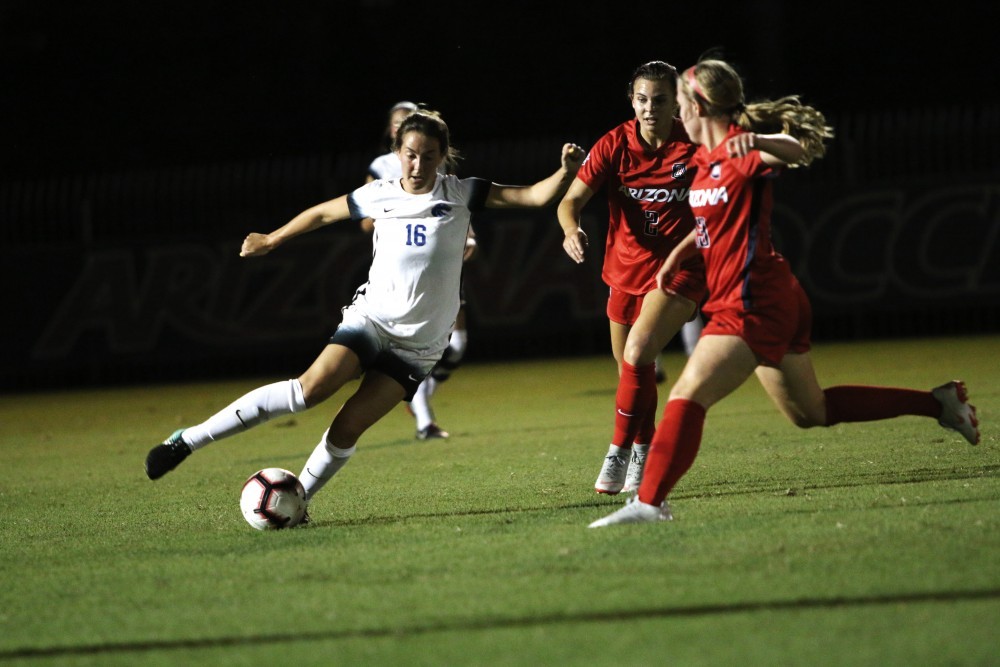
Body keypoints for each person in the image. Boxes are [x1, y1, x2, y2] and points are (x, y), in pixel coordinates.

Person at [589, 58, 980, 527]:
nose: (674, 114)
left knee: (686, 396)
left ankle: (648, 503)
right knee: (811, 411)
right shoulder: (706, 159)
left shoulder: (738, 151)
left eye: (681, 104)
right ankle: (938, 402)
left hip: (753, 302)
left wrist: (754, 139)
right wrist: (681, 253)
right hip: (773, 297)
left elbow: (793, 149)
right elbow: (714, 221)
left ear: (698, 106)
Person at [144, 109, 586, 517]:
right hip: (372, 320)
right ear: (398, 153)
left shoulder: (462, 193)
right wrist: (273, 239)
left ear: (442, 157)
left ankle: (298, 505)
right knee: (309, 391)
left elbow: (531, 197)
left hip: (421, 345)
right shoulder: (380, 194)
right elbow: (321, 213)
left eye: (428, 157)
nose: (417, 166)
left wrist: (565, 172)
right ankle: (188, 440)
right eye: (410, 155)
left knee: (348, 427)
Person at [558, 60, 707, 496]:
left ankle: (618, 451)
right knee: (632, 374)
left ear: (676, 102)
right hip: (623, 274)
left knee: (639, 354)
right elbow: (570, 202)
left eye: (660, 100)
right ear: (631, 100)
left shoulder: (693, 145)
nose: (649, 108)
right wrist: (572, 229)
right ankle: (645, 452)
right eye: (641, 99)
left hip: (679, 272)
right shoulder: (614, 144)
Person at [363, 101, 477, 440]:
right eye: (396, 122)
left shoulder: (439, 171)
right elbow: (364, 221)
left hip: (439, 268)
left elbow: (459, 210)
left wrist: (466, 239)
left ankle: (420, 394)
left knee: (456, 346)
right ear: (391, 133)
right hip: (401, 271)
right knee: (407, 349)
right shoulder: (382, 168)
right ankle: (425, 420)